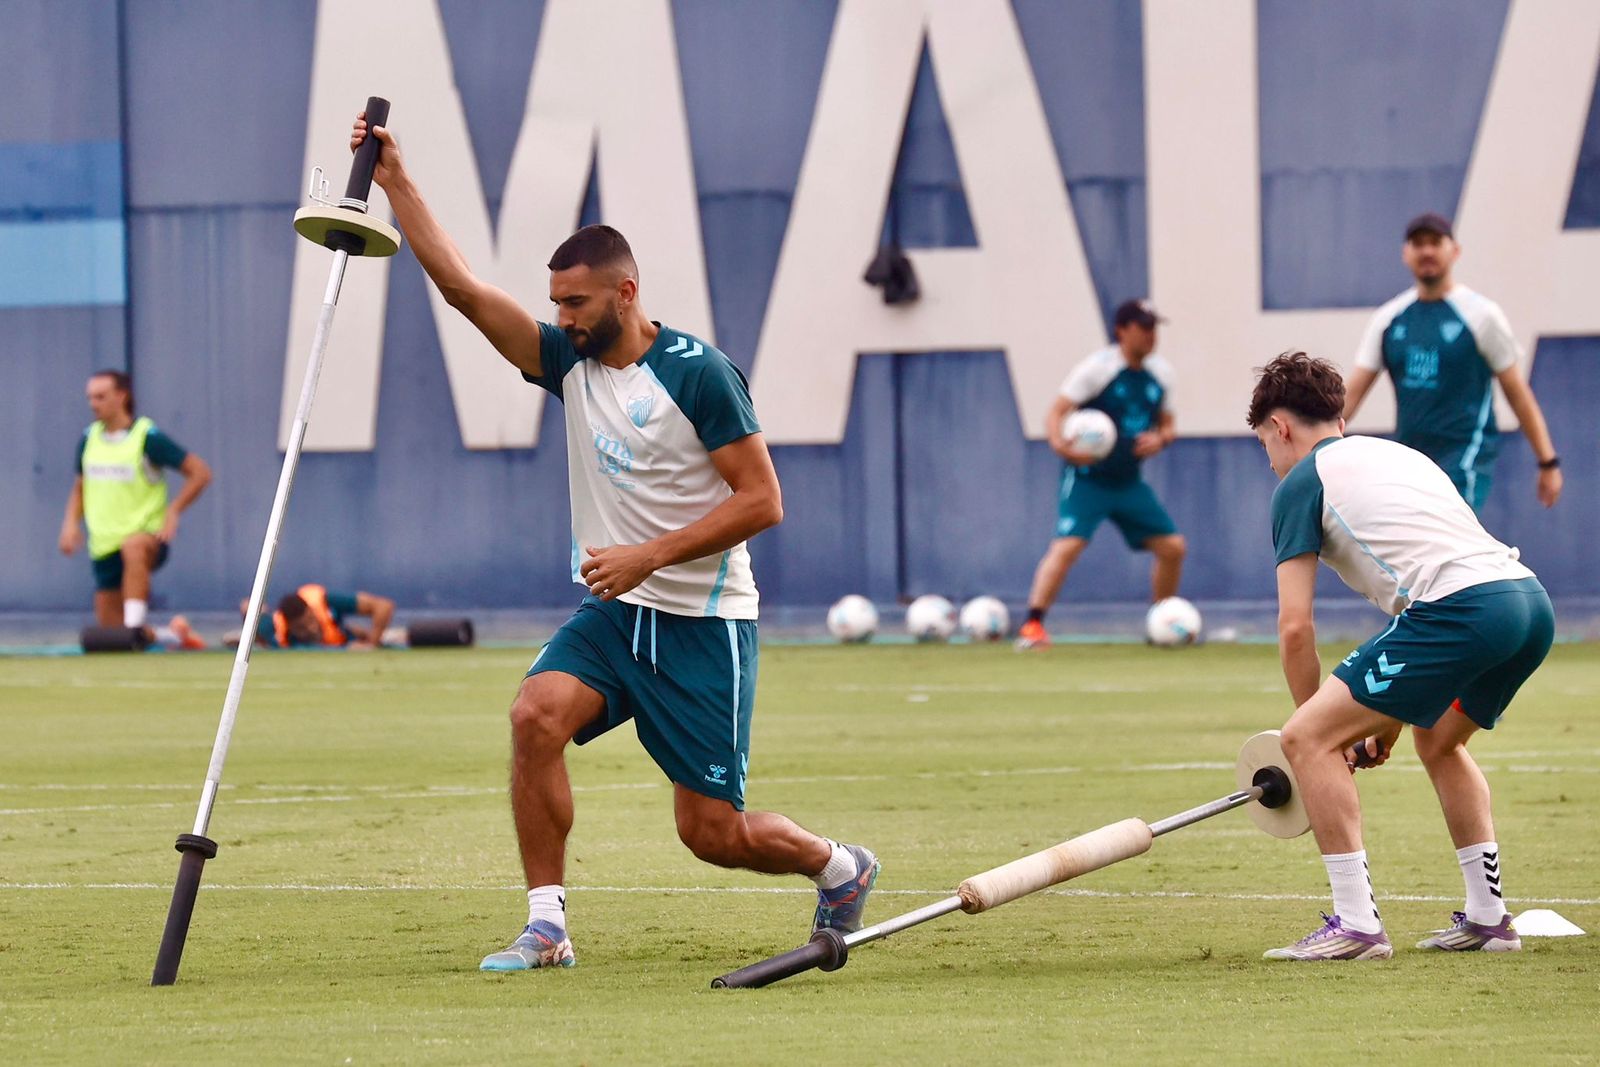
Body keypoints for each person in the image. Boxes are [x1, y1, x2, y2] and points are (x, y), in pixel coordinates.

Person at [351, 112, 879, 971]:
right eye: (555, 301)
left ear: (625, 294)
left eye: (576, 301)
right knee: (534, 716)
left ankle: (839, 865)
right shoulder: (568, 361)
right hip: (613, 613)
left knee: (712, 834)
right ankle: (548, 926)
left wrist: (649, 554)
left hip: (703, 625)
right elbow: (461, 288)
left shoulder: (699, 374)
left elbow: (763, 501)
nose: (560, 316)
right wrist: (395, 180)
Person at [1248, 351, 1553, 960]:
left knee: (1305, 736)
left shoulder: (1301, 484)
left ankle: (1357, 925)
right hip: (1526, 602)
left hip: (1463, 610)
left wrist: (1320, 736)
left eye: (1264, 442)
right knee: (1439, 740)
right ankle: (1489, 919)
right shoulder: (1397, 455)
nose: (1271, 457)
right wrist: (1379, 719)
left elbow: (1294, 629)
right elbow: (1419, 604)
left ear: (1280, 427)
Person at [1344, 212, 1561, 511]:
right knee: (1416, 549)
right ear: (1405, 254)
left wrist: (1548, 461)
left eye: (1435, 242)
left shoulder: (1482, 316)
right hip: (1411, 459)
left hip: (1465, 456)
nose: (1427, 251)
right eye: (1418, 244)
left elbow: (1517, 393)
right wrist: (1308, 445)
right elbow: (1350, 397)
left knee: (1450, 540)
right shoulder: (1388, 319)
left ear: (1454, 250)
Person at [1015, 300, 1186, 649]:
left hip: (1128, 480)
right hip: (1089, 478)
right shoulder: (1097, 369)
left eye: (1154, 327)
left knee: (1172, 547)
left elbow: (1168, 423)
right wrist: (1060, 445)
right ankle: (1033, 625)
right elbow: (1057, 411)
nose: (1151, 335)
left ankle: (1162, 623)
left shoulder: (1161, 373)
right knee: (1067, 546)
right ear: (1121, 331)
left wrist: (1161, 438)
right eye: (1143, 327)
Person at [58, 369, 211, 643]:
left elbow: (200, 473)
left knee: (134, 547)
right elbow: (80, 487)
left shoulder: (147, 437)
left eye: (101, 396)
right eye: (90, 397)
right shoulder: (88, 438)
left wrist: (173, 510)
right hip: (104, 543)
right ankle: (173, 636)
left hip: (146, 537)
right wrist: (70, 523)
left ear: (121, 396)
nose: (94, 403)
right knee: (110, 634)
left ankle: (134, 628)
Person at [240, 585, 396, 650]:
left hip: (349, 642)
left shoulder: (327, 602)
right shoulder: (272, 628)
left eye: (311, 620)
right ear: (289, 626)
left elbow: (384, 606)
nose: (311, 628)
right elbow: (247, 606)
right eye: (301, 627)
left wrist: (372, 646)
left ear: (311, 610)